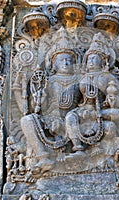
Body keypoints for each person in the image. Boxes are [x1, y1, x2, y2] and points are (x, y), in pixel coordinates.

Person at [20, 27, 81, 176]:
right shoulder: (50, 81)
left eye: (69, 60)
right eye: (62, 60)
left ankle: (78, 149)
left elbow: (87, 104)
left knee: (71, 119)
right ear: (53, 64)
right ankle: (43, 157)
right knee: (27, 120)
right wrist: (39, 98)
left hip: (73, 118)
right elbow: (39, 108)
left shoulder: (79, 80)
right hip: (50, 119)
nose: (66, 63)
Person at [65, 32, 119, 158]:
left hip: (102, 111)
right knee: (69, 117)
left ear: (103, 61)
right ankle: (78, 148)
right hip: (84, 111)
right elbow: (73, 99)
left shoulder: (108, 76)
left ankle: (100, 148)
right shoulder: (81, 78)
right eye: (89, 59)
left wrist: (113, 100)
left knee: (111, 124)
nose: (91, 61)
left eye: (95, 58)